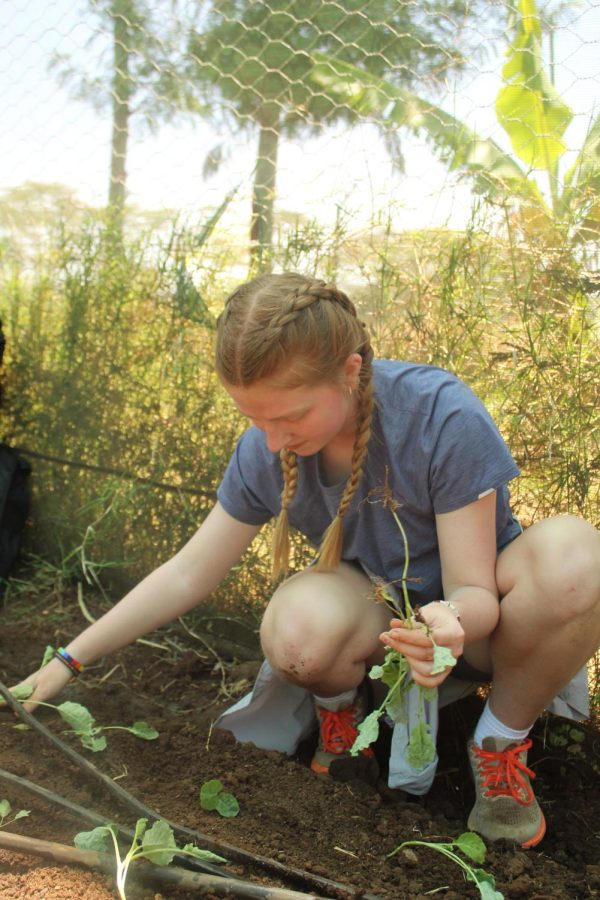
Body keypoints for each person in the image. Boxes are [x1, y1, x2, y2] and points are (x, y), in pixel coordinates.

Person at [11, 273, 600, 849]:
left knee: (578, 557)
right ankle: (343, 723)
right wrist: (69, 659)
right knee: (297, 631)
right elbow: (188, 573)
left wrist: (448, 622)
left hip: (481, 631)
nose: (272, 440)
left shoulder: (439, 417)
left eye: (290, 418)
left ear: (350, 370)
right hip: (380, 623)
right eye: (255, 419)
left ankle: (498, 740)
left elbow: (476, 592)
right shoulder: (268, 448)